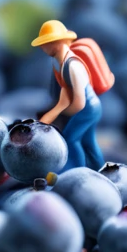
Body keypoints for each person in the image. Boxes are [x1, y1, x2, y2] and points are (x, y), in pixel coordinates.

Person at [33, 19, 105, 171]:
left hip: (88, 109)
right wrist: (53, 113)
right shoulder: (61, 65)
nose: (43, 48)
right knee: (88, 142)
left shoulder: (73, 66)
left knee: (71, 139)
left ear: (57, 43)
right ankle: (100, 170)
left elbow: (79, 102)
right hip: (89, 108)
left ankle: (79, 173)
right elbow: (65, 97)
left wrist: (61, 114)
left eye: (45, 44)